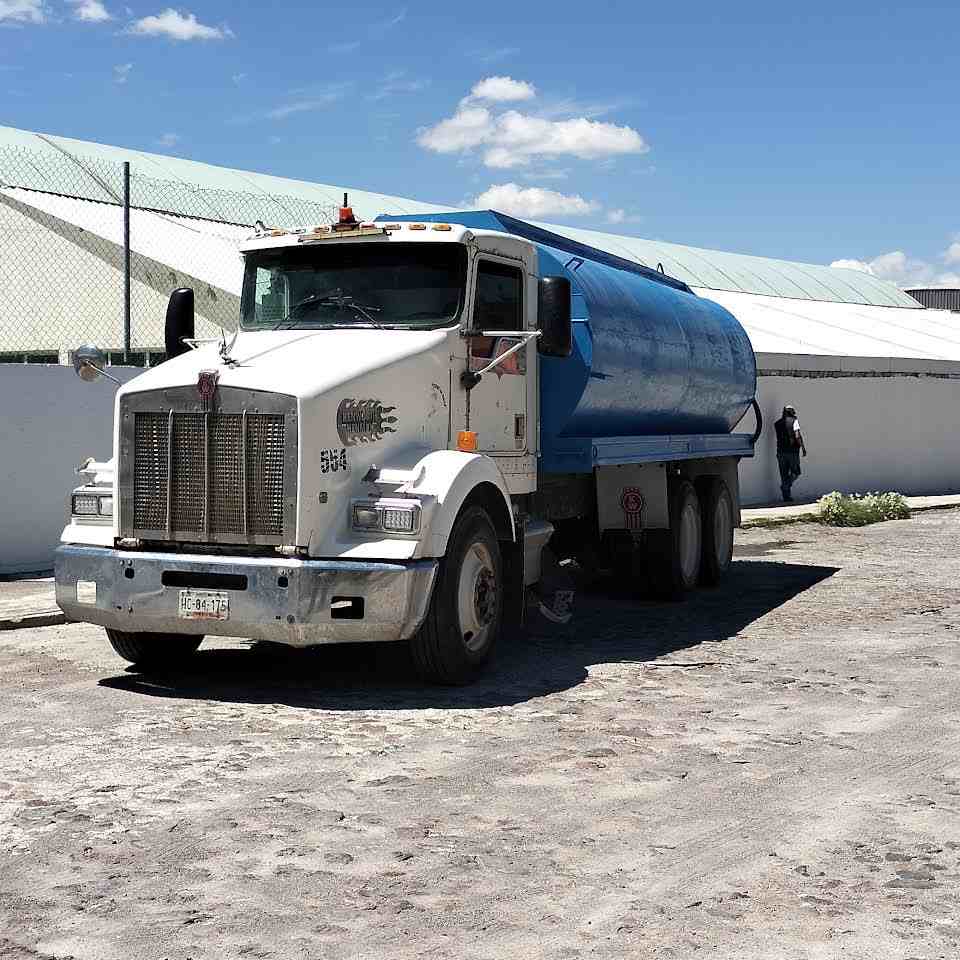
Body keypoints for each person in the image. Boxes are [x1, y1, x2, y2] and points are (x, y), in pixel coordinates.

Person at [774, 404, 807, 502]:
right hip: (792, 452)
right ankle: (786, 486)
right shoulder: (794, 421)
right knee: (796, 472)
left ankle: (786, 497)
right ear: (791, 412)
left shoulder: (777, 423)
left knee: (783, 474)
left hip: (780, 451)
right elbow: (797, 436)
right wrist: (803, 448)